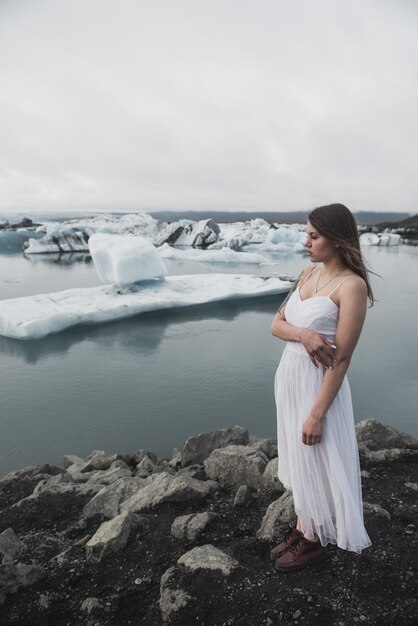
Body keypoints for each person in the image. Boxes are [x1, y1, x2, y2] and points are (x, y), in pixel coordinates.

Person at [270, 203, 373, 572]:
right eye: (306, 234)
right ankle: (305, 524)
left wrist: (317, 413)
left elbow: (342, 359)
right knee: (299, 456)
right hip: (291, 377)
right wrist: (305, 334)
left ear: (338, 238)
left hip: (319, 386)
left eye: (314, 235)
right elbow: (276, 324)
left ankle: (314, 540)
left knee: (317, 452)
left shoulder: (353, 286)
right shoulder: (306, 273)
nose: (306, 241)